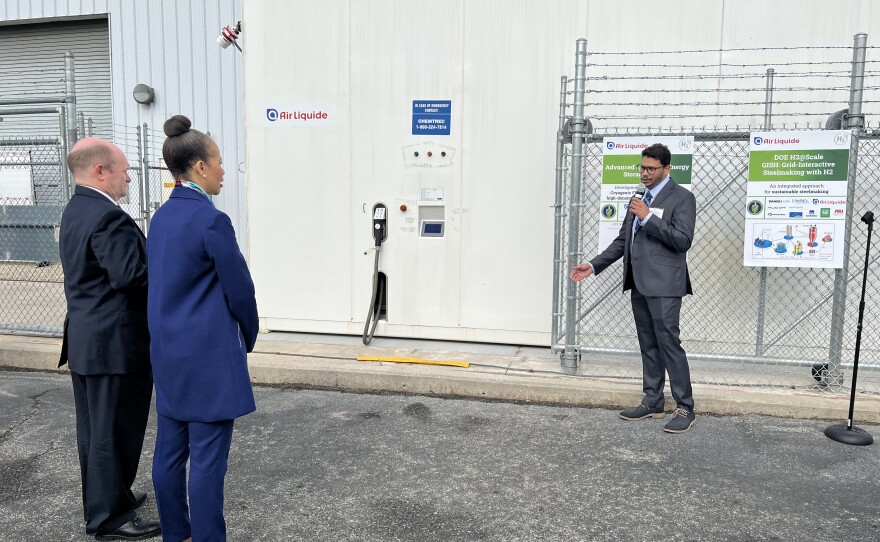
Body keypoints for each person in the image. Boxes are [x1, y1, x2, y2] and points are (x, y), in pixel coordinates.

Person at [147, 115, 259, 542]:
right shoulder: (212, 221)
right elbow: (239, 290)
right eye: (219, 162)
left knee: (170, 453)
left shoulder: (161, 218)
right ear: (198, 167)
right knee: (209, 461)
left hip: (168, 353)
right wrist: (248, 334)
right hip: (208, 358)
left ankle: (177, 534)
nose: (223, 171)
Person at [58, 138, 162, 540]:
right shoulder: (106, 216)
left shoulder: (76, 208)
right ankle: (108, 519)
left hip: (90, 341)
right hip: (114, 345)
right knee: (112, 432)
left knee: (97, 431)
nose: (128, 177)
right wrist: (170, 273)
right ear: (100, 170)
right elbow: (131, 276)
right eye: (123, 170)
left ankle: (112, 498)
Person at [571, 143, 697, 433]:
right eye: (642, 167)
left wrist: (648, 217)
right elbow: (622, 240)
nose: (645, 173)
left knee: (669, 344)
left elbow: (682, 240)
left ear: (667, 169)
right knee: (648, 344)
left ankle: (685, 406)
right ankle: (653, 399)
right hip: (638, 282)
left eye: (651, 169)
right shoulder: (638, 198)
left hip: (665, 285)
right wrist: (593, 265)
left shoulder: (682, 198)